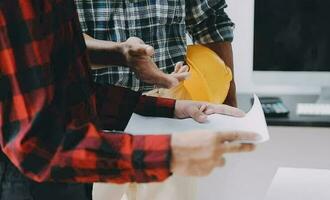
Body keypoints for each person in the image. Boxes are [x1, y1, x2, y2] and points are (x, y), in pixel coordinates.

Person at [0, 1, 256, 200]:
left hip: (119, 114)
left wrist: (174, 108)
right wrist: (170, 153)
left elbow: (70, 87)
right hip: (66, 153)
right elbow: (36, 143)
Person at [74, 0, 237, 107]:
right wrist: (121, 54)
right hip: (94, 108)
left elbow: (210, 22)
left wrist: (227, 102)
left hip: (174, 106)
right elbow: (61, 38)